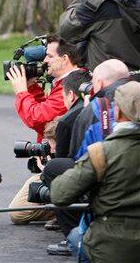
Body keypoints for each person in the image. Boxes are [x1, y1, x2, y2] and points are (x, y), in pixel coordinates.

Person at [41, 59, 130, 255]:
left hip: (111, 221)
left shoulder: (95, 110)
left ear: (98, 84)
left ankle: (76, 234)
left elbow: (78, 164)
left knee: (57, 168)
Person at [50, 81, 140, 263]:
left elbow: (60, 194)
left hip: (111, 247)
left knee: (76, 236)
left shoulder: (102, 153)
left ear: (119, 113)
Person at [7, 35, 81, 143]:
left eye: (50, 56)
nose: (45, 60)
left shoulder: (70, 86)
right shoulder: (69, 81)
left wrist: (21, 92)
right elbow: (46, 109)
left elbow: (39, 120)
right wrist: (31, 87)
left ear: (64, 59)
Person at [69, 59, 130, 159]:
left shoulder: (95, 109)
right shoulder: (136, 98)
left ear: (99, 83)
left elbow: (77, 155)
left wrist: (87, 110)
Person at [8, 120, 58, 226]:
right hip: (55, 176)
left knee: (18, 213)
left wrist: (50, 170)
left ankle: (65, 212)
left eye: (53, 146)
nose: (51, 150)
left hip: (66, 179)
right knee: (16, 213)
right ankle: (59, 212)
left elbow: (34, 117)